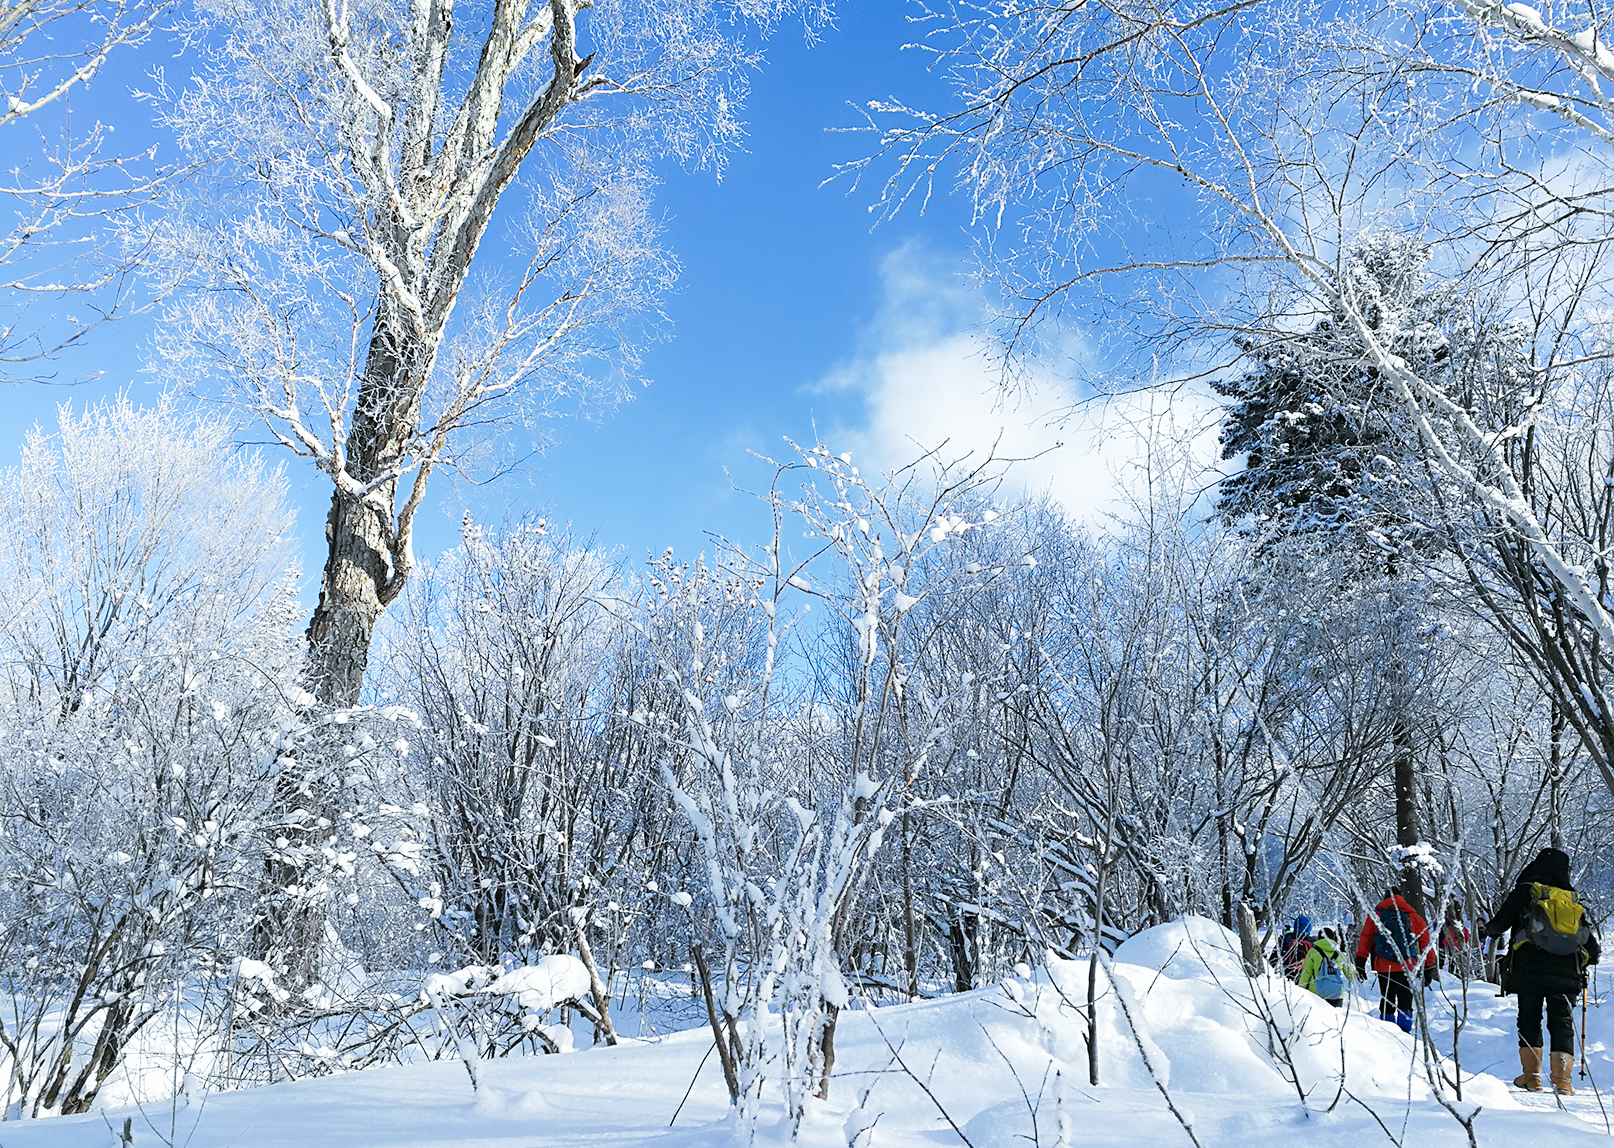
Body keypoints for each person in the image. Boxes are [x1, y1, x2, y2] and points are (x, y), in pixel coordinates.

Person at [1478, 846, 1601, 1095]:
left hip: (1529, 969)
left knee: (1530, 1018)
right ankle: (1563, 1081)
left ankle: (1532, 1077)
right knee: (1562, 1022)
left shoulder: (1529, 890)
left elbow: (1500, 923)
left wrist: (1485, 929)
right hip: (1567, 972)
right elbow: (1593, 949)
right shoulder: (1572, 898)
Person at [1354, 886, 1434, 1033]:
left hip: (1383, 965)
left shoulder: (1377, 915)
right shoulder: (1412, 916)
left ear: (1384, 898)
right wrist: (1429, 966)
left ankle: (1388, 1032)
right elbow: (1425, 941)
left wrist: (1360, 961)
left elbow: (1366, 938)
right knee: (1405, 999)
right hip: (1406, 965)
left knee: (1387, 997)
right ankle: (1405, 1031)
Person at [1298, 926, 1353, 1006]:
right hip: (1337, 993)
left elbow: (1307, 972)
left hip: (1317, 992)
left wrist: (1301, 989)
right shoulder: (1339, 953)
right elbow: (1350, 975)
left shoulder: (1313, 952)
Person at [1274, 914, 1314, 981]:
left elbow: (1273, 958)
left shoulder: (1287, 938)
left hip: (1287, 976)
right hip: (1305, 978)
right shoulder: (1312, 942)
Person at [1437, 902, 1470, 973]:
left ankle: (1457, 972)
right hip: (1452, 946)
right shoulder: (1451, 927)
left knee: (1456, 960)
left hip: (1456, 946)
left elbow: (1467, 936)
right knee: (1452, 960)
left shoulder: (1461, 928)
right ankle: (1452, 971)